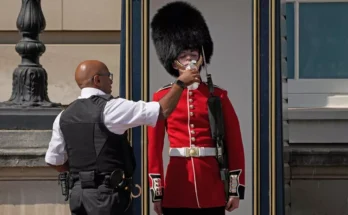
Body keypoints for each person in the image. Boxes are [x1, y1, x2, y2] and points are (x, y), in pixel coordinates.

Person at [44, 59, 200, 215]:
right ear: (97, 80)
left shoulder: (63, 116)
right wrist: (180, 84)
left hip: (79, 198)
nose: (111, 80)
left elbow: (54, 160)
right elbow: (162, 111)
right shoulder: (111, 108)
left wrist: (82, 175)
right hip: (107, 197)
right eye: (108, 76)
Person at [147, 2, 246, 215]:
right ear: (175, 63)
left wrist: (234, 189)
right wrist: (157, 191)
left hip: (211, 184)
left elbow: (235, 144)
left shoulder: (218, 95)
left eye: (193, 54)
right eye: (184, 55)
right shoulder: (162, 97)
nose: (190, 59)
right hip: (178, 184)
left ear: (201, 58)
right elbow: (154, 147)